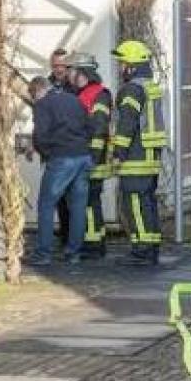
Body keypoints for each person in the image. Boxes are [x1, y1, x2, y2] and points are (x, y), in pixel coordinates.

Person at [26, 76, 93, 266]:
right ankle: (74, 253)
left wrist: (48, 154)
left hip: (61, 158)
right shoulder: (73, 99)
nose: (34, 101)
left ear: (38, 91)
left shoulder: (42, 105)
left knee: (46, 205)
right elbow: (90, 126)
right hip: (83, 156)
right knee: (78, 207)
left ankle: (43, 254)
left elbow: (40, 135)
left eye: (33, 97)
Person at [111, 40, 166, 266]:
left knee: (134, 202)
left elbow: (127, 123)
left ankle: (142, 251)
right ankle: (150, 247)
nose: (120, 68)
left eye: (122, 63)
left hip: (136, 155)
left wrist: (118, 152)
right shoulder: (149, 86)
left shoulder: (132, 89)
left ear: (131, 66)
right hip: (151, 155)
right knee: (147, 203)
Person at [66, 52, 113, 258]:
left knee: (89, 201)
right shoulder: (79, 94)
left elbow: (99, 127)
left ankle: (93, 245)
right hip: (81, 156)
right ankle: (92, 241)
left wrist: (93, 157)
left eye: (72, 70)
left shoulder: (99, 94)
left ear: (82, 72)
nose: (69, 74)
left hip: (92, 158)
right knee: (85, 201)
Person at [49, 48, 76, 246]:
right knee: (57, 195)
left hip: (71, 147)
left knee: (72, 196)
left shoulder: (74, 87)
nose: (59, 69)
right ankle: (64, 234)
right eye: (55, 65)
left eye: (62, 65)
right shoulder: (47, 85)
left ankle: (72, 237)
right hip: (54, 149)